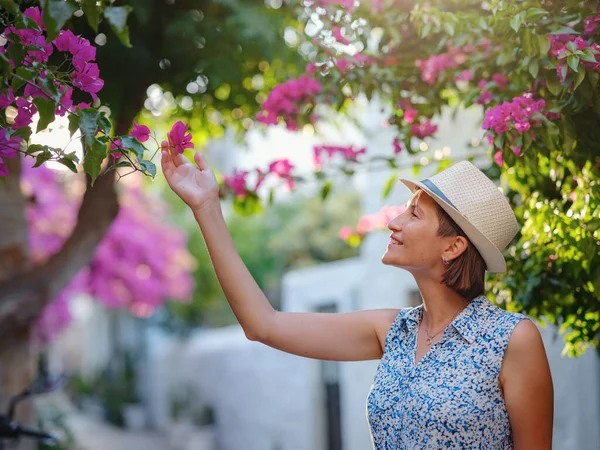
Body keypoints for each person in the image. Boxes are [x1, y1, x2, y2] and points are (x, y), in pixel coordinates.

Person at [160, 138, 554, 450]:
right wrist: (206, 207)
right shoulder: (391, 330)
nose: (394, 222)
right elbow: (263, 324)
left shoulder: (510, 340)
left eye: (414, 214)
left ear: (453, 247)